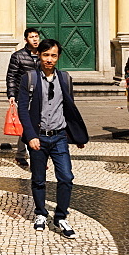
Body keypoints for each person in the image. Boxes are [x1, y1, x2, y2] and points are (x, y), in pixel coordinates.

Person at [18, 38, 88, 239]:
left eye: (53, 55)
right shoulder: (29, 78)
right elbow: (23, 109)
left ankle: (61, 216)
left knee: (66, 177)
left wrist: (76, 136)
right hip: (38, 137)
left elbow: (69, 108)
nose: (49, 59)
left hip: (59, 137)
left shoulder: (65, 78)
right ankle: (40, 213)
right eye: (46, 55)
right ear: (39, 55)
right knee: (38, 179)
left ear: (58, 57)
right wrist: (30, 136)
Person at [6, 27, 40, 167]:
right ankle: (35, 159)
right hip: (24, 95)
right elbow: (11, 76)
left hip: (39, 95)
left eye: (37, 36)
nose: (35, 39)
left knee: (31, 125)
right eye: (32, 37)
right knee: (28, 124)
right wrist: (12, 94)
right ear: (26, 39)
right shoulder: (18, 56)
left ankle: (20, 154)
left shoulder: (43, 54)